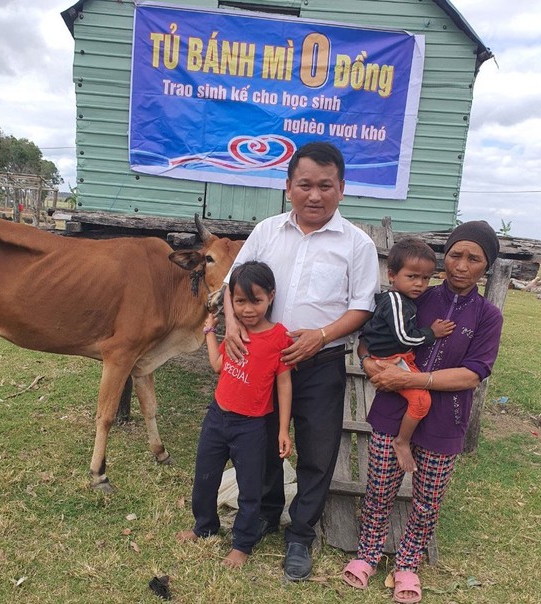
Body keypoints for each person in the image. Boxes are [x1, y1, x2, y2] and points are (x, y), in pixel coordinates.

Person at [223, 141, 380, 580]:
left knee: (317, 449)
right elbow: (234, 282)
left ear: (342, 188)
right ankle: (267, 514)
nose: (315, 195)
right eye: (305, 184)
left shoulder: (357, 244)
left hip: (320, 362)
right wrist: (232, 323)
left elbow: (362, 306)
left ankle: (301, 534)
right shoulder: (267, 231)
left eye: (325, 186)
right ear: (288, 185)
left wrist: (322, 335)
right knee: (262, 442)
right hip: (262, 363)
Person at [342, 221, 503, 604]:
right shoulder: (416, 296)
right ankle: (368, 554)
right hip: (392, 412)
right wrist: (369, 365)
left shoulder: (487, 317)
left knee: (428, 499)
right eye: (456, 255)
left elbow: (472, 373)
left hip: (446, 420)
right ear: (445, 257)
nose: (461, 266)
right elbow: (370, 339)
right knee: (379, 488)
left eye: (474, 259)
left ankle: (408, 563)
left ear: (487, 267)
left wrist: (414, 382)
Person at [177, 261, 294, 568]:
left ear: (271, 296)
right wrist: (210, 333)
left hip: (252, 426)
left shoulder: (279, 337)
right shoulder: (235, 333)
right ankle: (204, 526)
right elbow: (217, 366)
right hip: (217, 418)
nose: (247, 309)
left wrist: (283, 429)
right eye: (240, 302)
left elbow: (284, 384)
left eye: (255, 301)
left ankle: (242, 544)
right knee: (205, 479)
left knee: (251, 488)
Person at [359, 238, 456, 473]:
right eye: (412, 276)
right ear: (392, 275)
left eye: (425, 278)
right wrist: (431, 333)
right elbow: (404, 337)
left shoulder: (403, 300)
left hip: (398, 358)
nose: (419, 284)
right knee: (422, 400)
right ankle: (402, 441)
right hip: (390, 361)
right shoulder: (394, 300)